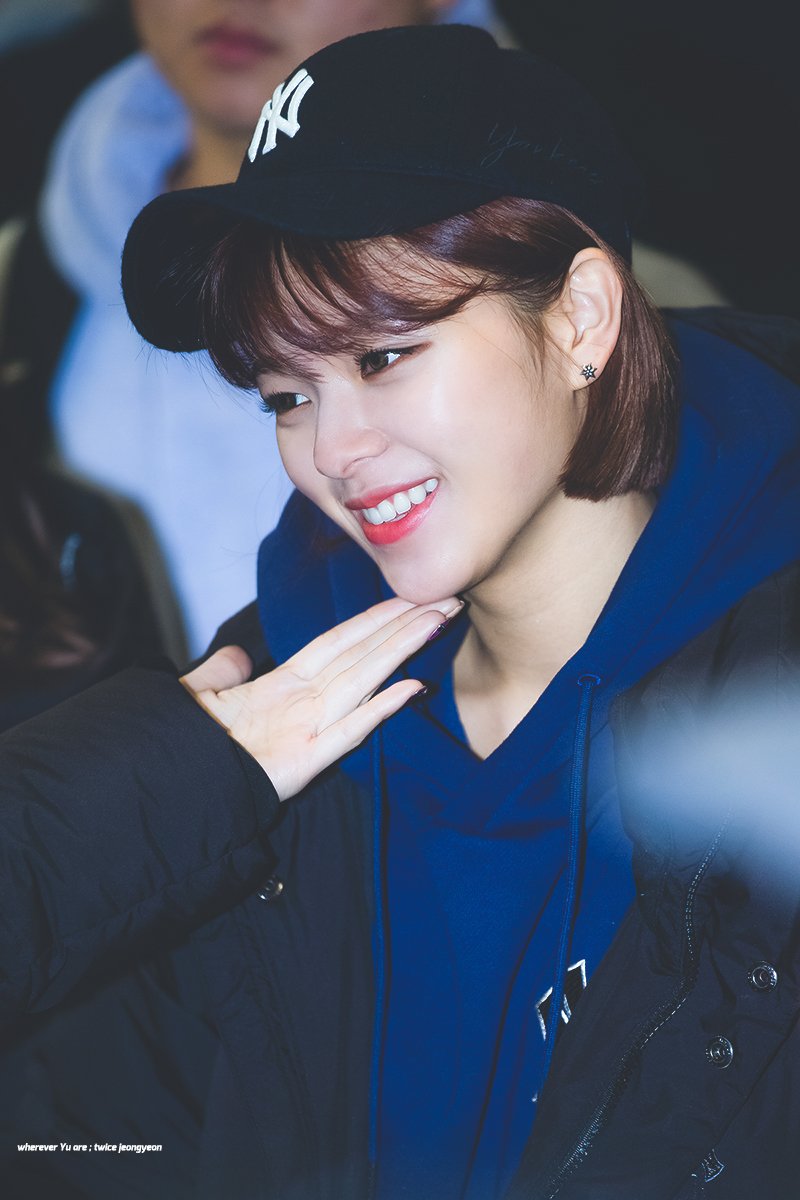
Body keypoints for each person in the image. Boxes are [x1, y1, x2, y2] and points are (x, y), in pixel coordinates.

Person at [1, 23, 799, 1200]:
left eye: (382, 356)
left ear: (578, 318)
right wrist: (139, 799)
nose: (332, 450)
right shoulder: (266, 713)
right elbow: (74, 1142)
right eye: (285, 394)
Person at [0, 0, 497, 662]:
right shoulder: (24, 281)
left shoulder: (586, 283)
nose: (235, 2)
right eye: (285, 397)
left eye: (383, 357)